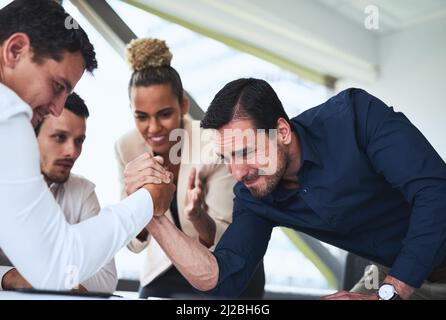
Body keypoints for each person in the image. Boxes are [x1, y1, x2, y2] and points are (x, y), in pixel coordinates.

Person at [130, 78, 446, 300]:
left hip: (400, 277)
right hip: (394, 276)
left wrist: (388, 293)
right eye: (227, 158)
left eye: (246, 151)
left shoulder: (354, 117)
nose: (238, 172)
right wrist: (155, 216)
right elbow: (221, 279)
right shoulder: (253, 194)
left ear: (281, 131)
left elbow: (436, 194)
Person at [0, 0, 174, 290]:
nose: (57, 109)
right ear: (15, 50)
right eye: (57, 86)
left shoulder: (81, 190)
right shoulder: (8, 114)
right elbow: (56, 264)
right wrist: (149, 199)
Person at [115, 38, 265, 298]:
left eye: (164, 114)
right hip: (164, 267)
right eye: (141, 116)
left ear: (183, 106)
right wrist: (136, 205)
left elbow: (226, 239)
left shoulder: (213, 145)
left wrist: (198, 217)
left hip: (219, 262)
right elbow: (134, 243)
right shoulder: (126, 147)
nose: (153, 128)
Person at [0, 93, 118, 293]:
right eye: (59, 137)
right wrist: (8, 276)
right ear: (30, 134)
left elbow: (106, 280)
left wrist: (44, 278)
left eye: (79, 141)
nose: (72, 151)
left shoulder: (83, 192)